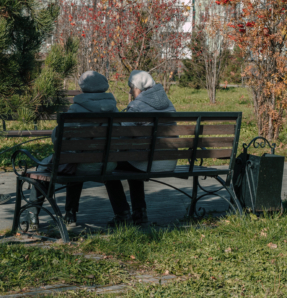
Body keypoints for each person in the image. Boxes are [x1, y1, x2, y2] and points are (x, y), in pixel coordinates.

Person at [25, 71, 119, 230]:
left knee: (45, 166)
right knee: (76, 161)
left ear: (82, 87)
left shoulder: (77, 108)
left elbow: (59, 140)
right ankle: (71, 214)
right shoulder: (113, 108)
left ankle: (33, 216)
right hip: (108, 165)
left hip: (80, 165)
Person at [105, 70, 177, 226]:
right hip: (169, 161)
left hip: (147, 161)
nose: (130, 92)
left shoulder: (136, 106)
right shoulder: (168, 103)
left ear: (137, 87)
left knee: (107, 167)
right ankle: (139, 214)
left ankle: (122, 213)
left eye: (131, 87)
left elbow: (123, 139)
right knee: (135, 162)